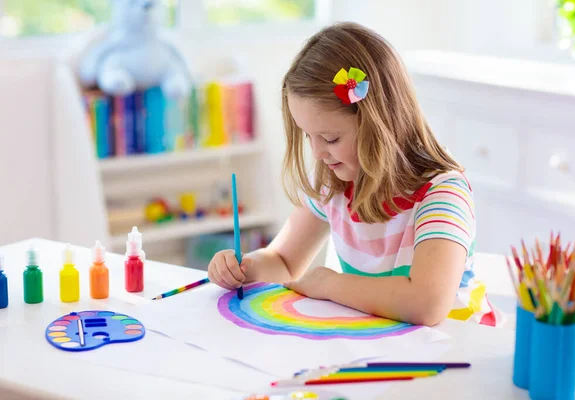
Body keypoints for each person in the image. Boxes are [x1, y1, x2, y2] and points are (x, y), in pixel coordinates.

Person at [208, 22, 497, 327]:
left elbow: (428, 303)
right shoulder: (333, 182)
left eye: (330, 138)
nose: (318, 153)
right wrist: (243, 268)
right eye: (309, 136)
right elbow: (284, 261)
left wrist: (329, 284)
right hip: (383, 344)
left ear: (380, 123)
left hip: (456, 349)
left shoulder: (441, 192)